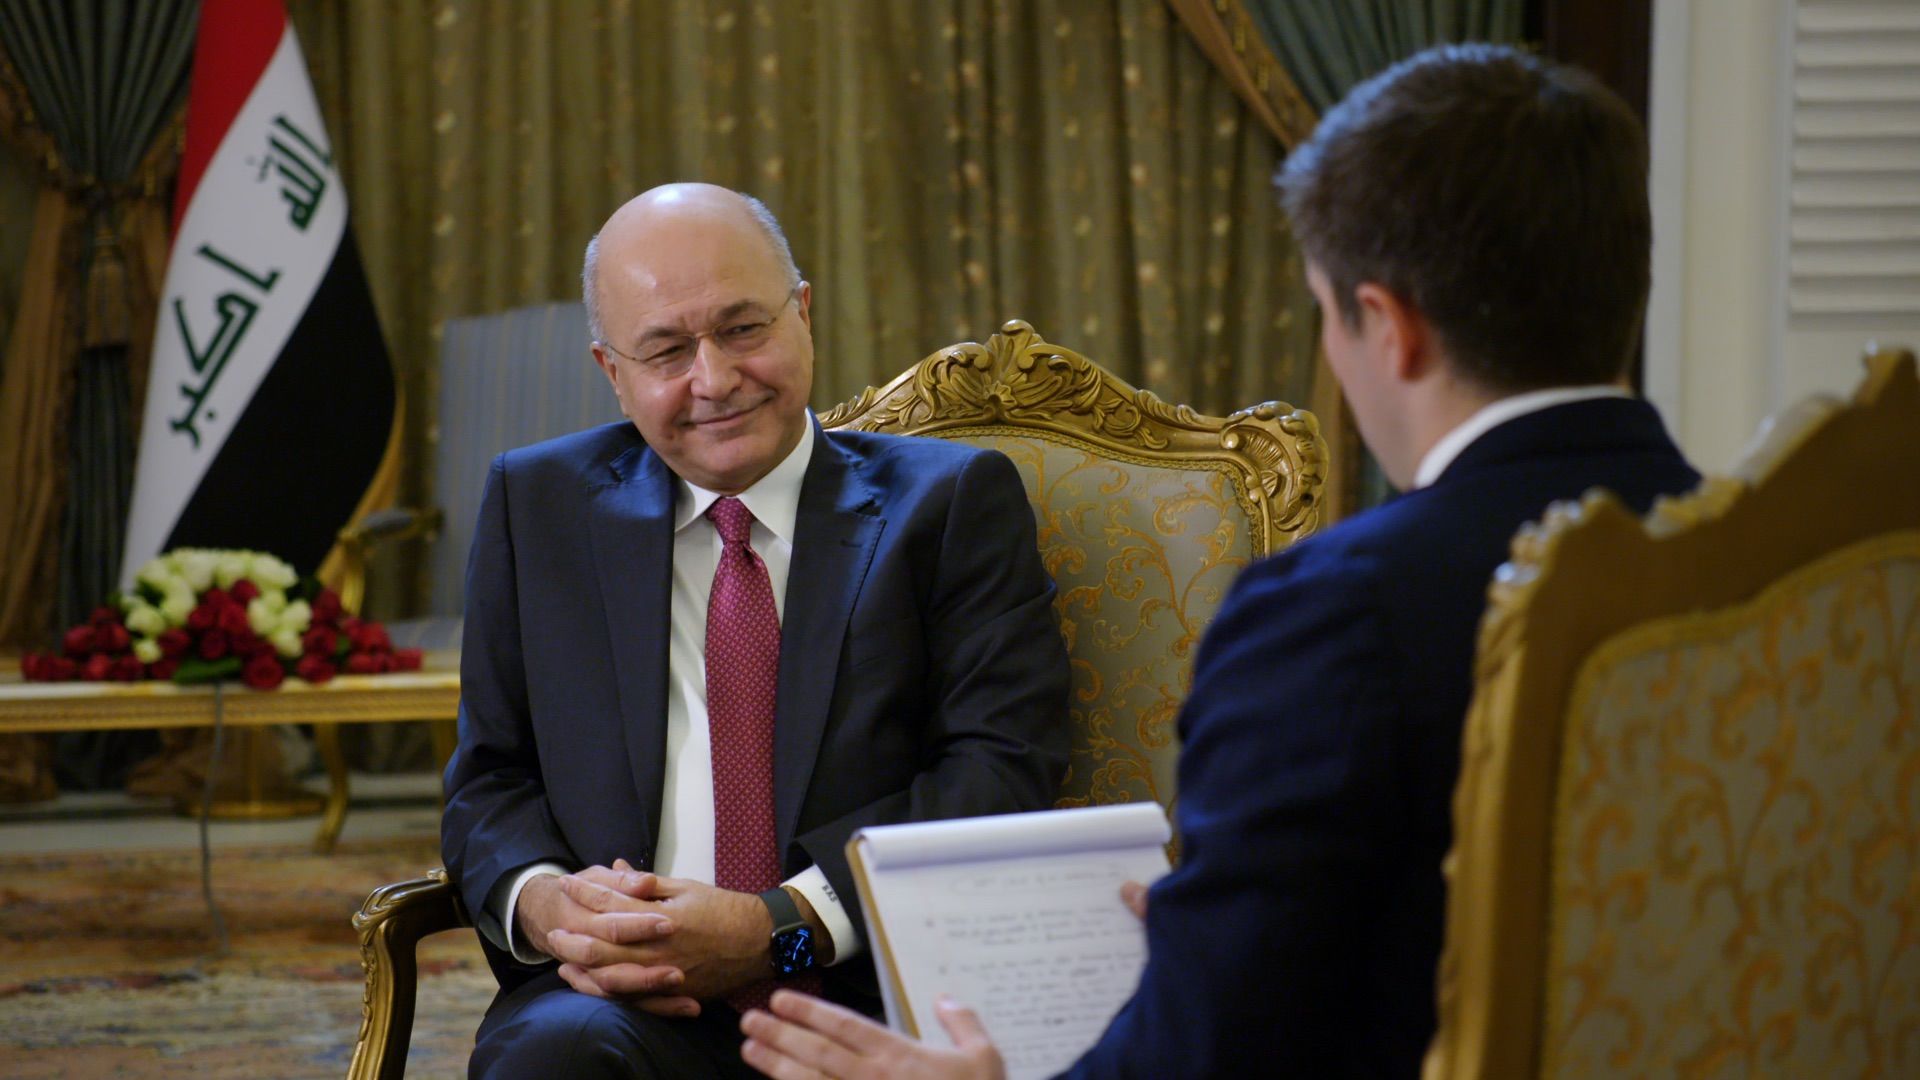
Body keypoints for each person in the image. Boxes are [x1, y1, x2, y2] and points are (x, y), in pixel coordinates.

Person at [736, 42, 1702, 1079]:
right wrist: (1234, 919)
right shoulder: (1778, 569)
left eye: (1325, 310)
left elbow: (1201, 1060)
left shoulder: (1336, 614)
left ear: (1389, 329)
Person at [441, 182, 1071, 1078]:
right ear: (613, 372)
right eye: (666, 350)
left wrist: (778, 929)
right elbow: (489, 777)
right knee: (553, 1058)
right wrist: (547, 906)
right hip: (622, 999)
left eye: (742, 329)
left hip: (862, 980)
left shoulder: (949, 506)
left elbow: (999, 767)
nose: (715, 379)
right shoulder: (538, 508)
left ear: (803, 314)